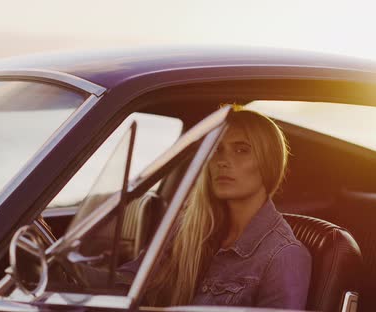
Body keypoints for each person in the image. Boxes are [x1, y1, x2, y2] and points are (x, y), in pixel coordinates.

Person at [121, 105, 312, 309]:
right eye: (217, 149)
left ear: (268, 162)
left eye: (241, 150)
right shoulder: (187, 226)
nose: (222, 161)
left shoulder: (284, 256)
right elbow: (132, 278)